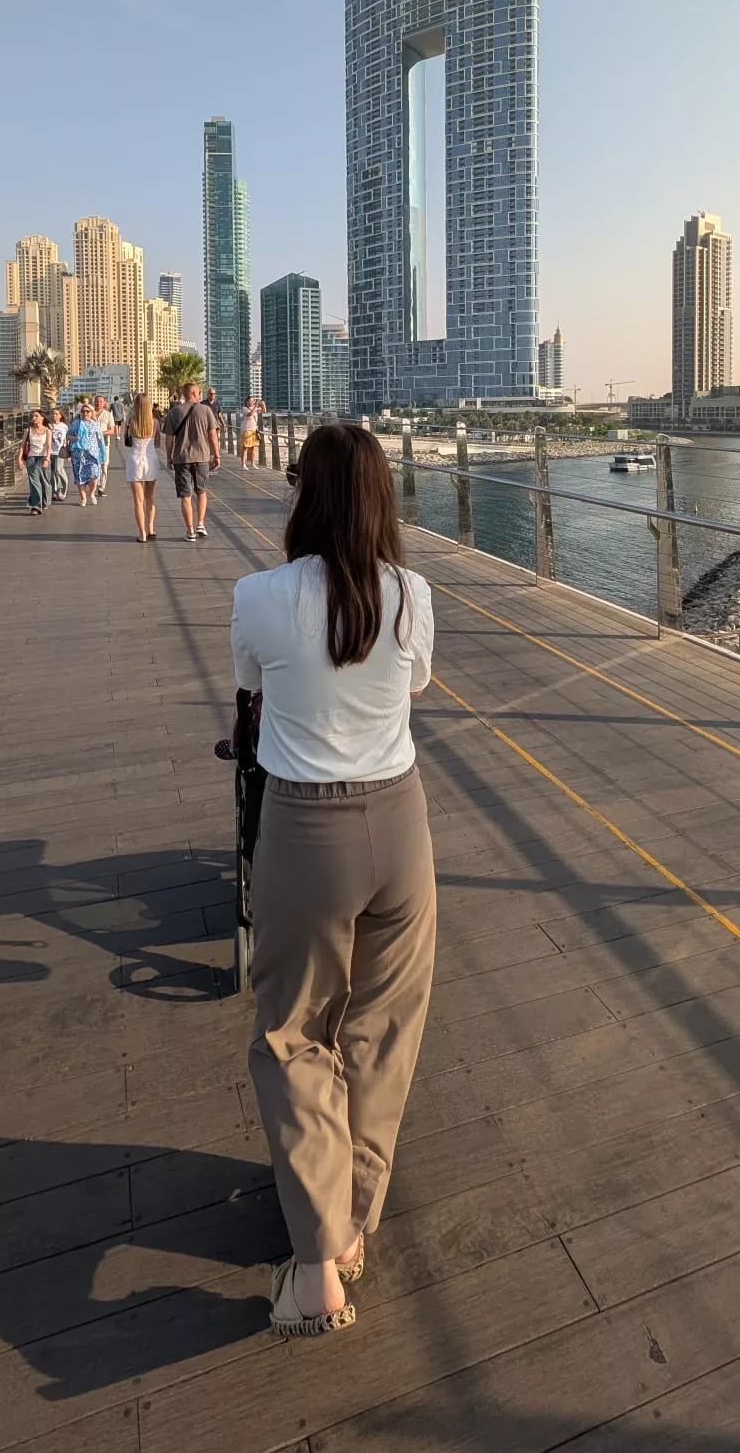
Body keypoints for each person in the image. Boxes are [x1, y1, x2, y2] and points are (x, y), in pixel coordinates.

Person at [230, 424, 435, 1338]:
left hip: (305, 831)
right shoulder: (412, 596)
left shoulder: (261, 597)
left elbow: (251, 685)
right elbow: (412, 683)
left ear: (303, 494)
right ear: (382, 499)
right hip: (400, 825)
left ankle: (316, 1267)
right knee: (383, 1029)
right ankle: (352, 1220)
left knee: (295, 1034)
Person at [162, 382, 220, 541]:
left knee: (185, 496)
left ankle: (190, 531)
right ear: (194, 393)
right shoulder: (206, 410)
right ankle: (201, 523)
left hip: (181, 458)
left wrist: (169, 456)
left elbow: (168, 438)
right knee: (201, 491)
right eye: (199, 392)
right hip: (202, 457)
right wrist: (217, 456)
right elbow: (213, 437)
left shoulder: (174, 412)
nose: (200, 395)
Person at [123, 391, 160, 543]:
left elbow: (127, 440)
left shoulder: (131, 421)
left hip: (135, 459)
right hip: (151, 459)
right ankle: (151, 528)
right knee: (150, 497)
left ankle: (142, 533)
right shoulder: (155, 422)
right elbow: (157, 442)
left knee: (138, 500)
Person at [67, 401, 104, 506]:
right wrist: (74, 438)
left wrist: (102, 453)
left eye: (88, 411)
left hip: (92, 454)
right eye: (83, 411)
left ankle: (92, 494)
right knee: (80, 476)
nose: (85, 413)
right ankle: (83, 498)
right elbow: (68, 436)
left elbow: (100, 439)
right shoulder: (75, 423)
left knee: (94, 475)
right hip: (78, 454)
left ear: (91, 413)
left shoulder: (95, 424)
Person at [18, 409, 52, 517]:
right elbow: (23, 445)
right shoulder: (28, 430)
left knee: (45, 482)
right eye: (33, 416)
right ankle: (36, 506)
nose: (34, 418)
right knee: (34, 483)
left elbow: (48, 446)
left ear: (42, 418)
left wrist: (47, 459)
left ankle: (45, 501)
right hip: (32, 458)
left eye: (36, 416)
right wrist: (19, 458)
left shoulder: (47, 430)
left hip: (43, 458)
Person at [94, 395, 117, 497]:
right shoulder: (89, 414)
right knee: (94, 464)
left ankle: (101, 487)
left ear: (104, 403)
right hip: (92, 444)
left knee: (104, 465)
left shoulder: (108, 415)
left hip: (104, 443)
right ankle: (93, 485)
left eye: (100, 402)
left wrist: (102, 433)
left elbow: (112, 430)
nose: (98, 403)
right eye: (97, 401)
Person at [49, 407, 69, 501]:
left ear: (60, 416)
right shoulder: (49, 426)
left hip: (61, 451)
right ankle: (54, 491)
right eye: (53, 414)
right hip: (50, 451)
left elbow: (67, 440)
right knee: (52, 472)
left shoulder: (64, 426)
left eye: (57, 414)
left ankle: (62, 490)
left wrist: (68, 453)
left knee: (58, 470)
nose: (54, 416)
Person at [239, 395, 259, 469]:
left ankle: (253, 463)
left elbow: (264, 410)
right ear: (246, 402)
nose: (251, 402)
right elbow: (250, 414)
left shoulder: (254, 408)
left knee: (253, 448)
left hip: (254, 430)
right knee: (245, 448)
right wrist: (255, 406)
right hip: (246, 430)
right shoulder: (244, 408)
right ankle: (243, 464)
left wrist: (263, 404)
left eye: (252, 401)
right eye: (249, 401)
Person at [204, 386, 225, 452]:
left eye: (214, 393)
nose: (212, 395)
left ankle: (215, 456)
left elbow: (219, 415)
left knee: (215, 441)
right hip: (206, 426)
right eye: (211, 393)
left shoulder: (217, 403)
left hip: (215, 426)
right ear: (207, 394)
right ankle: (207, 454)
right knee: (206, 441)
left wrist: (224, 425)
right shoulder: (203, 403)